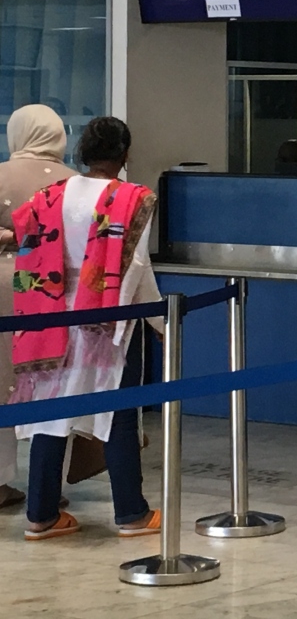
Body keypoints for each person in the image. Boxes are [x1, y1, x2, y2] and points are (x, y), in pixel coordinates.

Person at [11, 116, 162, 539]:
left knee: (50, 414)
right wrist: (158, 318)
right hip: (107, 318)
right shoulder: (132, 198)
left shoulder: (50, 196)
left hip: (52, 315)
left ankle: (41, 515)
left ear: (82, 152)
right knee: (119, 413)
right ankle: (131, 513)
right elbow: (136, 267)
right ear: (125, 154)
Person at [0, 105, 77, 512]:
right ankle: (49, 487)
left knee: (0, 383)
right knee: (53, 384)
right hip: (53, 289)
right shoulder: (75, 182)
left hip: (3, 286)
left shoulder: (0, 175)